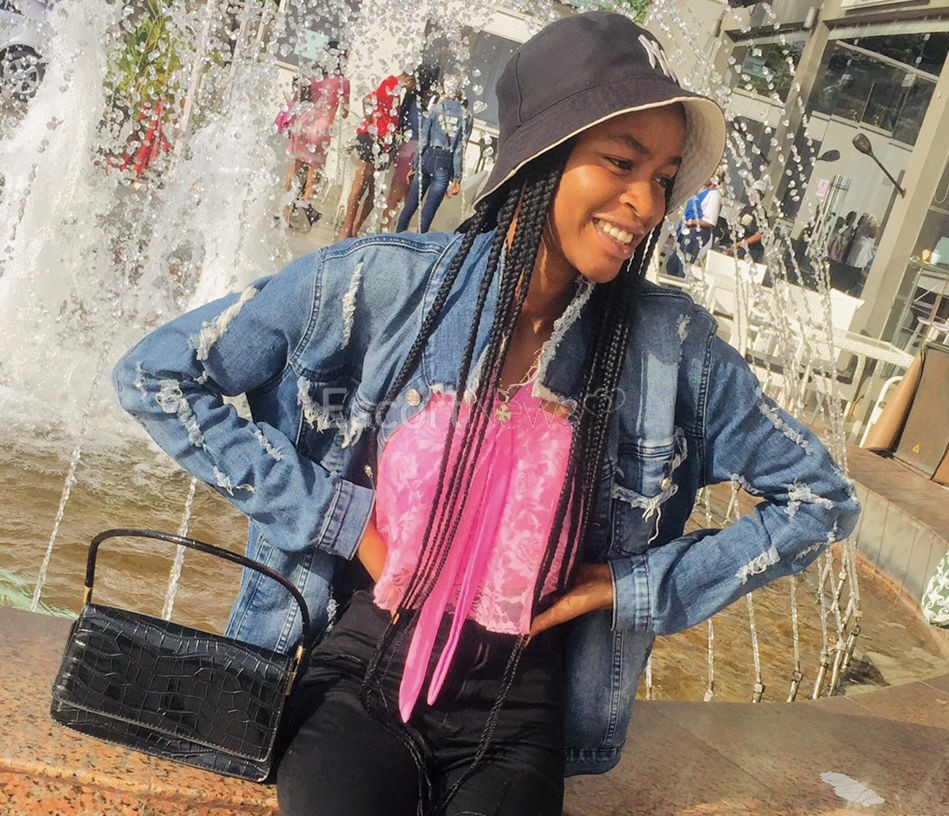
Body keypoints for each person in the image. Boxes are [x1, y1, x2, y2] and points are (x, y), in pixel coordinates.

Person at [113, 13, 859, 816]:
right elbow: (156, 374)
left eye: (663, 176)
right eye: (621, 163)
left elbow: (818, 500)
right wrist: (339, 519)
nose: (646, 203)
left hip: (517, 708)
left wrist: (629, 584)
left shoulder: (667, 347)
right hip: (360, 672)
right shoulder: (376, 285)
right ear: (541, 153)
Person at [340, 69, 416, 239]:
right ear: (409, 79)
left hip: (382, 143)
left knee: (374, 191)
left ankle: (354, 229)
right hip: (372, 140)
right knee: (360, 187)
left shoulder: (396, 89)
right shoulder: (391, 83)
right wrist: (371, 128)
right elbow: (367, 100)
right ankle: (347, 230)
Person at [281, 44, 350, 225]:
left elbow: (298, 98)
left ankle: (285, 213)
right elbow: (345, 112)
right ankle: (302, 212)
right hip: (321, 129)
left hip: (304, 123)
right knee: (313, 176)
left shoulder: (313, 75)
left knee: (294, 171)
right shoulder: (343, 82)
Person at [396, 74, 472, 233]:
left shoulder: (435, 109)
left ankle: (397, 235)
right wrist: (457, 178)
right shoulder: (466, 116)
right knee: (428, 212)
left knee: (410, 205)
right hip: (444, 162)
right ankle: (419, 241)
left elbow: (423, 140)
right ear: (459, 91)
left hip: (428, 157)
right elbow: (459, 148)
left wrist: (415, 164)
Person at [381, 65, 440, 232]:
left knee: (403, 199)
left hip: (412, 151)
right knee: (402, 198)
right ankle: (391, 231)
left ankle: (391, 230)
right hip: (413, 152)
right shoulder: (420, 102)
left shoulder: (418, 101)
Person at [665, 170, 722, 277]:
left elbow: (710, 221)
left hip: (696, 233)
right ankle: (673, 285)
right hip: (686, 231)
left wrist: (692, 222)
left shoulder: (714, 195)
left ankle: (680, 285)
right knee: (671, 266)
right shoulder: (702, 191)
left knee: (683, 268)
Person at [725, 178, 766, 263]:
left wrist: (737, 245)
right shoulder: (746, 208)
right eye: (752, 191)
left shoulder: (760, 212)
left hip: (752, 251)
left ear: (762, 196)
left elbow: (759, 235)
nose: (753, 195)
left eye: (756, 193)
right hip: (741, 247)